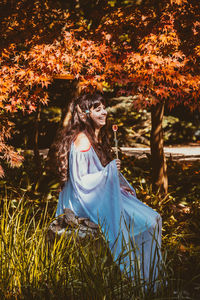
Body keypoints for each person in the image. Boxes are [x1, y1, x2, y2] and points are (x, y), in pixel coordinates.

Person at [52, 92, 162, 285]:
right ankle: (139, 278)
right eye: (98, 109)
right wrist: (110, 171)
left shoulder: (95, 138)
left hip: (97, 194)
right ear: (86, 114)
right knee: (150, 221)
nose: (104, 112)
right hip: (83, 200)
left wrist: (116, 182)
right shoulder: (83, 141)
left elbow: (96, 174)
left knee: (153, 218)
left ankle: (146, 277)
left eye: (104, 108)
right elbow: (81, 182)